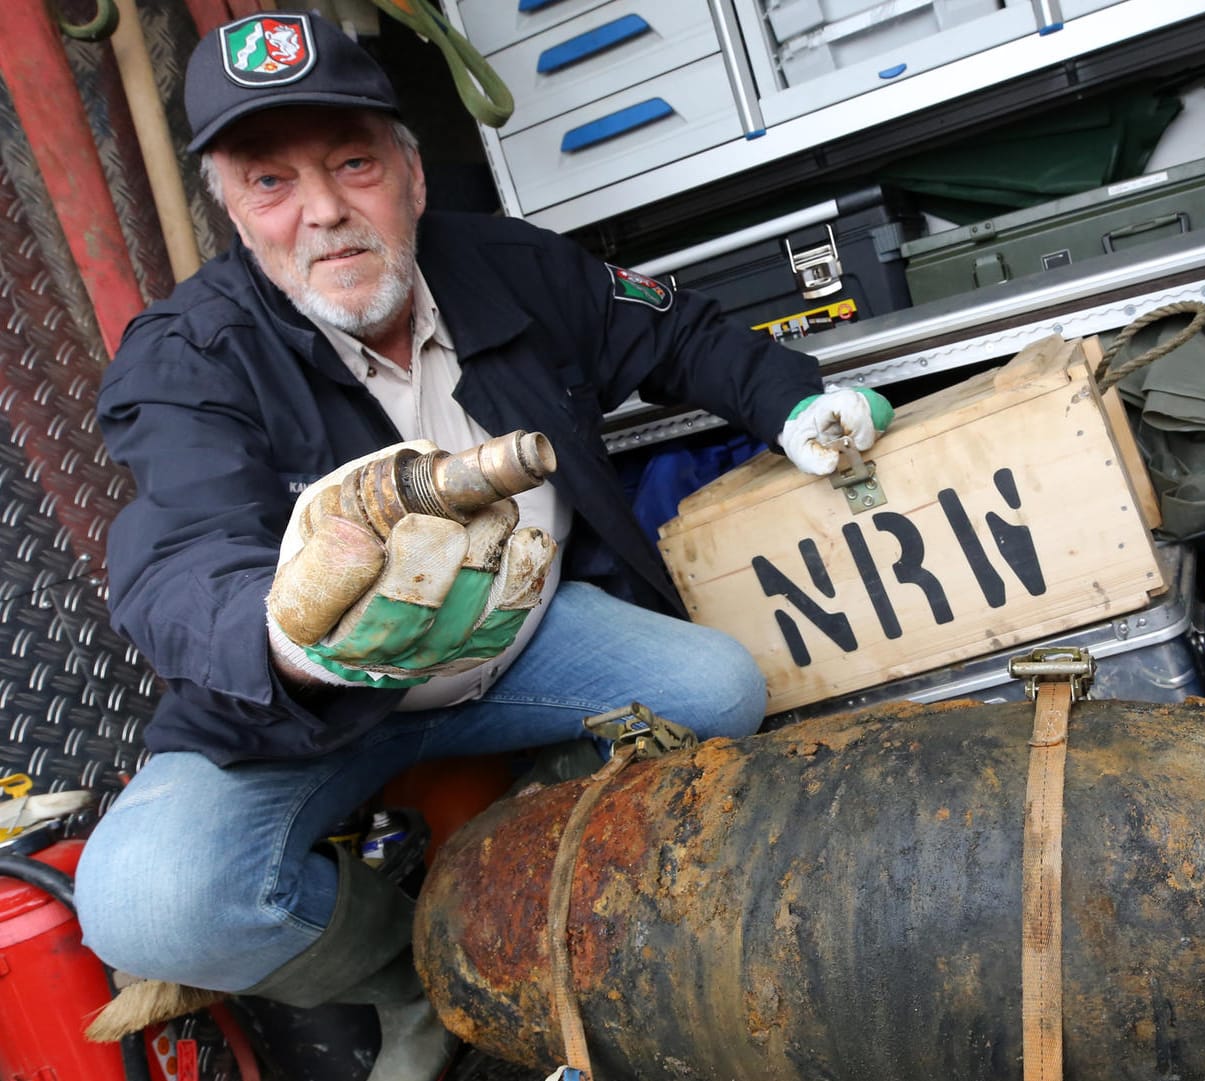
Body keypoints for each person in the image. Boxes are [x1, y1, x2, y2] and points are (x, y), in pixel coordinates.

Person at [73, 11, 889, 1079]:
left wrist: (793, 405)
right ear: (232, 212)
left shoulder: (513, 266)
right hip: (314, 703)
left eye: (352, 163)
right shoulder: (188, 358)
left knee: (716, 690)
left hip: (521, 642)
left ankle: (534, 888)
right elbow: (175, 557)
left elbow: (677, 330)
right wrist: (290, 642)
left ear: (409, 173)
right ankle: (419, 975)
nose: (324, 212)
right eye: (270, 184)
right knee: (150, 907)